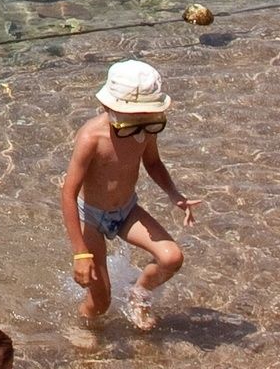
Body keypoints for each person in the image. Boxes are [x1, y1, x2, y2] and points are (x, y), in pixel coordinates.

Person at [63, 62, 194, 329]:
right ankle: (83, 331)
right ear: (108, 107)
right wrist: (80, 253)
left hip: (126, 211)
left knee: (171, 257)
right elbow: (68, 193)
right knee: (101, 301)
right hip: (91, 217)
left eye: (146, 117)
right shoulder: (91, 137)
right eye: (133, 118)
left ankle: (140, 293)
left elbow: (153, 164)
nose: (141, 124)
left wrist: (174, 194)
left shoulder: (144, 129)